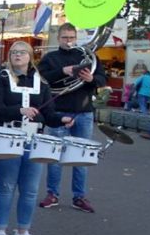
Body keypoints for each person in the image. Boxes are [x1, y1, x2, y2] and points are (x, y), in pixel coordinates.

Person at [0, 41, 73, 235]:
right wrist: (20, 110)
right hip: (7, 138)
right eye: (14, 52)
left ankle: (22, 234)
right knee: (6, 188)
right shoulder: (0, 79)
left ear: (30, 56)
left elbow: (49, 115)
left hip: (33, 141)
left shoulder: (41, 83)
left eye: (22, 52)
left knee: (30, 191)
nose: (17, 55)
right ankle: (0, 232)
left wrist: (61, 119)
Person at [37, 22, 106, 213]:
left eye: (72, 38)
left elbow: (102, 78)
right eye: (65, 38)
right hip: (58, 112)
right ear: (58, 39)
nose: (69, 41)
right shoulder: (51, 58)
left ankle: (79, 197)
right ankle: (52, 194)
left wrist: (92, 80)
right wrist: (63, 71)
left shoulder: (87, 56)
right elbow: (41, 79)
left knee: (81, 157)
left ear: (76, 38)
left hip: (83, 111)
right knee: (55, 156)